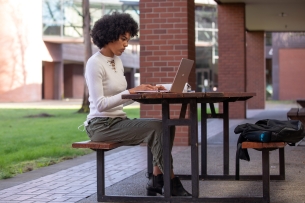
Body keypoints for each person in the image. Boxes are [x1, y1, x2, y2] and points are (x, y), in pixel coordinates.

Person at [83, 12, 191, 197]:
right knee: (158, 127)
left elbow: (122, 99)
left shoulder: (117, 61)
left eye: (128, 39)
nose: (126, 44)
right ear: (109, 36)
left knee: (167, 125)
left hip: (118, 121)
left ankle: (157, 178)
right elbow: (101, 105)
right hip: (101, 125)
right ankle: (171, 182)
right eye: (123, 39)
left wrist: (145, 91)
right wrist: (131, 92)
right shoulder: (94, 63)